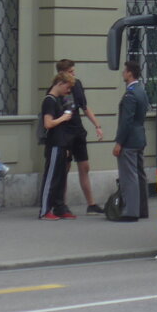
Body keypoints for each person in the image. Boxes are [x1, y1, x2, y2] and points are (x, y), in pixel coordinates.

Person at [56, 59, 105, 214]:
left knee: (85, 166)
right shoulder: (56, 88)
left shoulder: (77, 84)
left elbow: (84, 107)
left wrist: (97, 125)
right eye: (70, 72)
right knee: (65, 167)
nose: (73, 74)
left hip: (77, 130)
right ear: (62, 73)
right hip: (65, 132)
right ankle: (61, 203)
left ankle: (91, 204)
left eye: (73, 71)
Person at [112, 61, 151, 222]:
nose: (123, 73)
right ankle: (142, 209)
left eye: (124, 71)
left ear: (130, 73)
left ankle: (130, 211)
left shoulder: (130, 94)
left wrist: (119, 142)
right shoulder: (141, 91)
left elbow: (126, 121)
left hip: (129, 140)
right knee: (140, 174)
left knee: (129, 176)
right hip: (140, 137)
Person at [38, 73, 77, 220]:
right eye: (67, 87)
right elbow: (48, 123)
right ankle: (45, 210)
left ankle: (59, 208)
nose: (68, 91)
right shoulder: (49, 101)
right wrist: (62, 118)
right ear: (60, 83)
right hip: (54, 144)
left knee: (60, 178)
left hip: (61, 143)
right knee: (51, 177)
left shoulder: (59, 100)